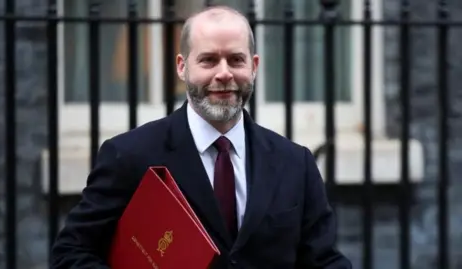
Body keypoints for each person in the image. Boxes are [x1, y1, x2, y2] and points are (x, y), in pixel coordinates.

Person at [50, 5, 352, 269]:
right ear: (182, 67)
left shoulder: (295, 163)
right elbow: (71, 254)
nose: (224, 74)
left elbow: (323, 260)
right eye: (208, 60)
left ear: (254, 66)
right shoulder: (129, 156)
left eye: (236, 60)